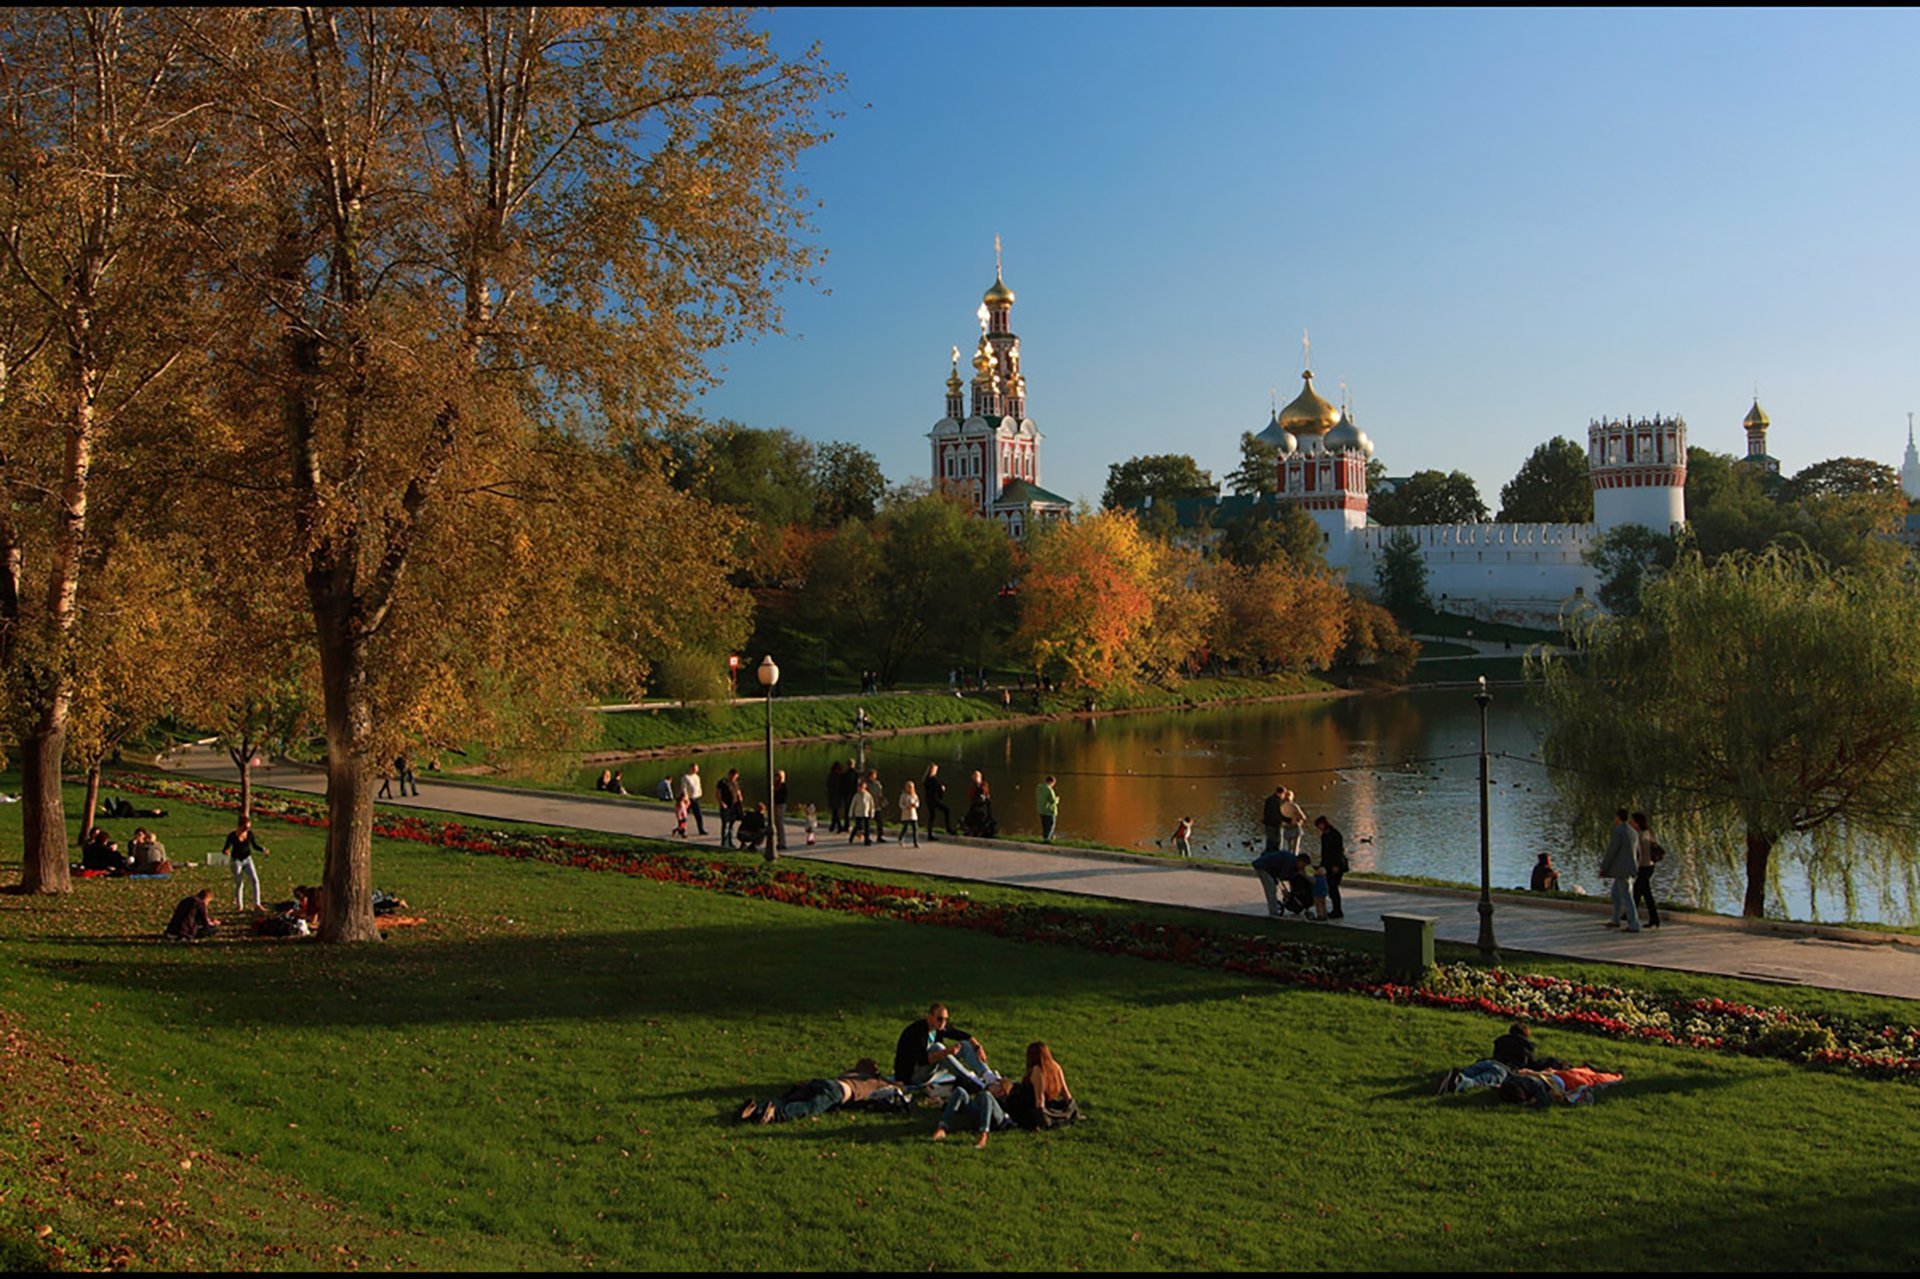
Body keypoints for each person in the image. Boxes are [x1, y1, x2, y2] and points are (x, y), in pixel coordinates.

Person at [738, 1059, 898, 1125]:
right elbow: (898, 1089)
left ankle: (757, 1108)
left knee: (794, 1097)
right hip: (838, 1092)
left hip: (825, 1082)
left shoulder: (849, 1073)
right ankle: (775, 1115)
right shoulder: (878, 1083)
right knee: (809, 1107)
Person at [893, 1003, 986, 1088]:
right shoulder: (916, 1032)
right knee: (938, 1047)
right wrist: (946, 1052)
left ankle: (988, 1075)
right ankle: (971, 1080)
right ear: (929, 1017)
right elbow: (922, 1060)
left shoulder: (938, 1028)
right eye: (939, 1019)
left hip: (932, 1071)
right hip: (913, 1076)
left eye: (946, 1019)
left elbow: (960, 1034)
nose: (943, 1022)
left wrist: (978, 1047)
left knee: (965, 1045)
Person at [1000, 1041, 1076, 1132]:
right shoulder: (1056, 1066)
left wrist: (1040, 1119)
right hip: (1046, 1102)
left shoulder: (1037, 1070)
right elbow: (1065, 1092)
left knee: (1002, 1099)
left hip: (1025, 1105)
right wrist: (1072, 1109)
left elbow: (1039, 1098)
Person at [1599, 807, 1641, 932]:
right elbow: (1637, 851)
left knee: (1627, 897)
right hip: (1629, 868)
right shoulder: (1633, 831)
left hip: (1622, 870)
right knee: (1615, 894)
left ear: (1618, 817)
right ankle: (1615, 919)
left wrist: (1604, 867)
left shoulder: (1619, 831)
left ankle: (1634, 924)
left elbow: (1612, 850)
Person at [222, 817, 269, 911]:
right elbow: (225, 849)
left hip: (247, 859)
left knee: (255, 880)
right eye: (244, 828)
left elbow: (254, 846)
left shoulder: (250, 834)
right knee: (240, 883)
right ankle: (240, 906)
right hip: (236, 861)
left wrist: (263, 850)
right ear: (239, 826)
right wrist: (226, 851)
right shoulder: (232, 836)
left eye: (248, 828)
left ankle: (257, 904)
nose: (246, 830)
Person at [1631, 811, 1662, 929]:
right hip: (1650, 866)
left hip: (1644, 867)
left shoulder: (1639, 836)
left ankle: (1654, 919)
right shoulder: (1649, 833)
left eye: (1632, 821)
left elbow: (1638, 854)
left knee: (1646, 893)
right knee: (1638, 891)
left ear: (1637, 823)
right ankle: (1631, 915)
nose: (1631, 823)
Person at [1314, 815, 1348, 919]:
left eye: (1319, 825)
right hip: (1328, 865)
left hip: (1336, 864)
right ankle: (1335, 909)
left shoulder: (1335, 834)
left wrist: (1336, 865)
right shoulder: (1324, 836)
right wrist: (1321, 865)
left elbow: (1338, 851)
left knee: (1333, 887)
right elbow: (1324, 852)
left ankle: (1337, 910)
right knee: (1330, 887)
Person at [922, 763, 954, 838]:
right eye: (935, 770)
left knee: (932, 816)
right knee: (946, 810)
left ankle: (929, 834)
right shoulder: (933, 779)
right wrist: (942, 789)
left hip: (928, 800)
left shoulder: (926, 779)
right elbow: (936, 790)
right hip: (934, 800)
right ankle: (948, 829)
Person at [1278, 788, 1307, 859]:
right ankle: (1294, 861)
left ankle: (1288, 860)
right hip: (1295, 828)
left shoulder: (1281, 807)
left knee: (1288, 847)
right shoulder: (1294, 806)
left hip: (1286, 828)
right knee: (1295, 848)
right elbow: (1303, 817)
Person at [715, 768, 741, 849]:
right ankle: (724, 842)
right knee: (725, 824)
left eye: (736, 777)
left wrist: (740, 797)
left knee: (731, 825)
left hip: (734, 806)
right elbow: (718, 793)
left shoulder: (735, 783)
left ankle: (730, 842)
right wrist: (721, 803)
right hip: (726, 806)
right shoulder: (723, 782)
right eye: (733, 776)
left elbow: (738, 792)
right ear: (730, 774)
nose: (734, 778)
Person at [679, 763, 706, 836]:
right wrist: (686, 797)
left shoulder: (697, 777)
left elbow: (698, 786)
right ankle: (682, 829)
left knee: (698, 814)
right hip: (688, 799)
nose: (695, 770)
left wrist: (700, 793)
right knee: (684, 815)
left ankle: (701, 829)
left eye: (696, 768)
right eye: (694, 768)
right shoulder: (686, 777)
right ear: (690, 768)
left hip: (695, 798)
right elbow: (684, 788)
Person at [847, 779, 876, 846]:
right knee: (858, 826)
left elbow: (872, 805)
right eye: (860, 788)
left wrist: (872, 813)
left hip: (866, 813)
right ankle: (852, 836)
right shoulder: (856, 796)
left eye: (862, 788)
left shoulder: (868, 795)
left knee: (867, 827)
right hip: (858, 813)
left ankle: (867, 840)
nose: (861, 789)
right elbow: (853, 805)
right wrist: (851, 813)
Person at [864, 769, 889, 844]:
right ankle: (867, 837)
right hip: (869, 806)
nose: (874, 777)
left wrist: (883, 801)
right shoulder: (866, 784)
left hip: (877, 805)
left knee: (879, 822)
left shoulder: (877, 784)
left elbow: (880, 794)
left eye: (875, 775)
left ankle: (880, 836)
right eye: (873, 775)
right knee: (867, 823)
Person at [898, 780, 921, 849]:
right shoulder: (903, 795)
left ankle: (916, 842)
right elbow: (900, 804)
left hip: (913, 814)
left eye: (911, 787)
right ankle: (900, 838)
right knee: (905, 827)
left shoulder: (915, 795)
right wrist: (906, 807)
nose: (909, 788)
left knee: (915, 828)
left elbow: (918, 803)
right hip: (906, 814)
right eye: (908, 787)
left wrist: (915, 805)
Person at [1036, 775, 1060, 843]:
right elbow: (1052, 800)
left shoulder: (1038, 787)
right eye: (1053, 784)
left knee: (1045, 826)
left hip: (1041, 810)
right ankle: (1047, 840)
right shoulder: (1049, 789)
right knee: (1051, 826)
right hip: (1049, 811)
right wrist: (1057, 799)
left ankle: (1046, 838)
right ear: (1051, 782)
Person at [826, 761, 848, 833]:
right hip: (838, 796)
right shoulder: (841, 776)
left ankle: (836, 826)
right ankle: (835, 826)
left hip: (832, 795)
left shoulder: (831, 775)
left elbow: (827, 785)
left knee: (835, 811)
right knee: (835, 811)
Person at [1262, 786, 1285, 853]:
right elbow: (1279, 814)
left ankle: (1268, 856)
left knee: (1269, 841)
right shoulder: (1278, 801)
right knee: (1277, 842)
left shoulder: (1268, 799)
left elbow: (1265, 811)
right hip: (1276, 824)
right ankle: (1276, 857)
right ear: (1281, 793)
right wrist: (1288, 820)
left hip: (1268, 824)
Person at [772, 769, 790, 852]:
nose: (776, 778)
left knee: (780, 823)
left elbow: (781, 797)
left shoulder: (783, 786)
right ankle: (779, 842)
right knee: (777, 824)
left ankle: (782, 843)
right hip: (776, 805)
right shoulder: (776, 785)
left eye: (778, 776)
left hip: (780, 805)